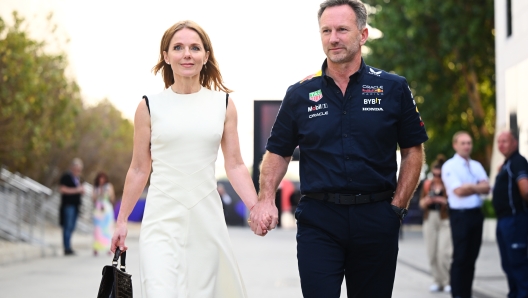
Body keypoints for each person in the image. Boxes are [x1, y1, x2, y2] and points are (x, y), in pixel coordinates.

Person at [249, 0, 428, 296]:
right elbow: (278, 152)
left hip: (376, 218)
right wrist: (266, 198)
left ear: (363, 34)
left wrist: (396, 209)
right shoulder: (300, 94)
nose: (333, 38)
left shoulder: (393, 88)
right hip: (319, 220)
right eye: (326, 30)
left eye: (342, 29)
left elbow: (413, 151)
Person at [111, 20, 265, 298]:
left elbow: (235, 164)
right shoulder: (148, 106)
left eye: (195, 48)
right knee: (160, 290)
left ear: (206, 56)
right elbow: (138, 168)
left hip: (206, 222)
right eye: (178, 47)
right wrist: (121, 220)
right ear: (166, 56)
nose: (187, 54)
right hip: (161, 220)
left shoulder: (224, 105)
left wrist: (256, 207)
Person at [442, 131, 490, 298]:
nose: (467, 146)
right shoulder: (449, 166)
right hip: (460, 216)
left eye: (469, 143)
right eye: (463, 143)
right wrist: (476, 186)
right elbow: (458, 191)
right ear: (455, 145)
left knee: (471, 259)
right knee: (461, 258)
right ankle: (458, 294)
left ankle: (466, 294)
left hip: (476, 215)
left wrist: (470, 186)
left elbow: (487, 188)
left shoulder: (476, 165)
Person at [492, 130, 528, 298]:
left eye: (505, 141)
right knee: (508, 264)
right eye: (499, 142)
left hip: (515, 220)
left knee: (517, 263)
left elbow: (525, 190)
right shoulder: (507, 163)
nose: (501, 145)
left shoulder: (518, 161)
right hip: (504, 221)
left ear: (514, 142)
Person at [419, 155, 451, 293]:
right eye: (435, 174)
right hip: (430, 218)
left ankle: (448, 281)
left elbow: (454, 202)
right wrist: (427, 201)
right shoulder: (427, 185)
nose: (437, 177)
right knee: (431, 252)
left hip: (444, 219)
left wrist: (443, 200)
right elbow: (420, 203)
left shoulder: (448, 185)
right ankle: (437, 281)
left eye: (440, 174)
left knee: (444, 252)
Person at [59, 158, 84, 256]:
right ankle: (67, 248)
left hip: (76, 205)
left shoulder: (77, 178)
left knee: (72, 227)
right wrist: (76, 190)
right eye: (77, 169)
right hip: (68, 205)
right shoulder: (66, 177)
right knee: (67, 226)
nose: (78, 171)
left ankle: (69, 246)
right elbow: (62, 189)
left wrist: (81, 190)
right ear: (72, 168)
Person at [92, 172, 115, 256]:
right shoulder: (96, 187)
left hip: (106, 208)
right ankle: (96, 247)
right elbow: (93, 198)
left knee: (107, 229)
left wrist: (106, 194)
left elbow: (112, 197)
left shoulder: (108, 186)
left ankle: (108, 247)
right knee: (98, 229)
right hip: (98, 208)